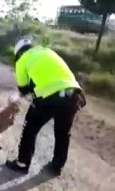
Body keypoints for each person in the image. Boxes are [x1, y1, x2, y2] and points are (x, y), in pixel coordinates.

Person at [5, 38, 86, 176]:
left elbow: (23, 89)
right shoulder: (48, 51)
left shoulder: (22, 60)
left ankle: (23, 163)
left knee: (30, 129)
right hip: (73, 94)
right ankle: (56, 167)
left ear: (18, 53)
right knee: (63, 133)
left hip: (48, 97)